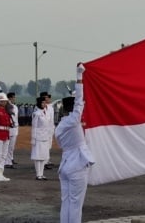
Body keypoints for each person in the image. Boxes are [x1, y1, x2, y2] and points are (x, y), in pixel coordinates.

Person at [55, 63, 95, 223]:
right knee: (76, 204)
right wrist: (79, 77)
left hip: (65, 165)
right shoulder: (73, 121)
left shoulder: (59, 127)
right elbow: (79, 101)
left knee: (66, 203)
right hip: (77, 165)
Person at [31, 95, 54, 180]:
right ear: (39, 103)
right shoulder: (36, 114)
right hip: (38, 137)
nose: (45, 104)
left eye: (45, 102)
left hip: (45, 137)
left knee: (44, 156)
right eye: (43, 102)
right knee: (38, 157)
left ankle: (42, 173)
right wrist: (33, 138)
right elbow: (34, 127)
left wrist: (50, 134)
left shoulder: (47, 112)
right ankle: (38, 174)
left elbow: (49, 124)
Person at [4, 92, 19, 169]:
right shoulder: (6, 106)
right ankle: (7, 162)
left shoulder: (15, 107)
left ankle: (9, 160)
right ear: (9, 98)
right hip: (8, 128)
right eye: (13, 97)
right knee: (7, 146)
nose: (14, 98)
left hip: (14, 128)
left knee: (11, 147)